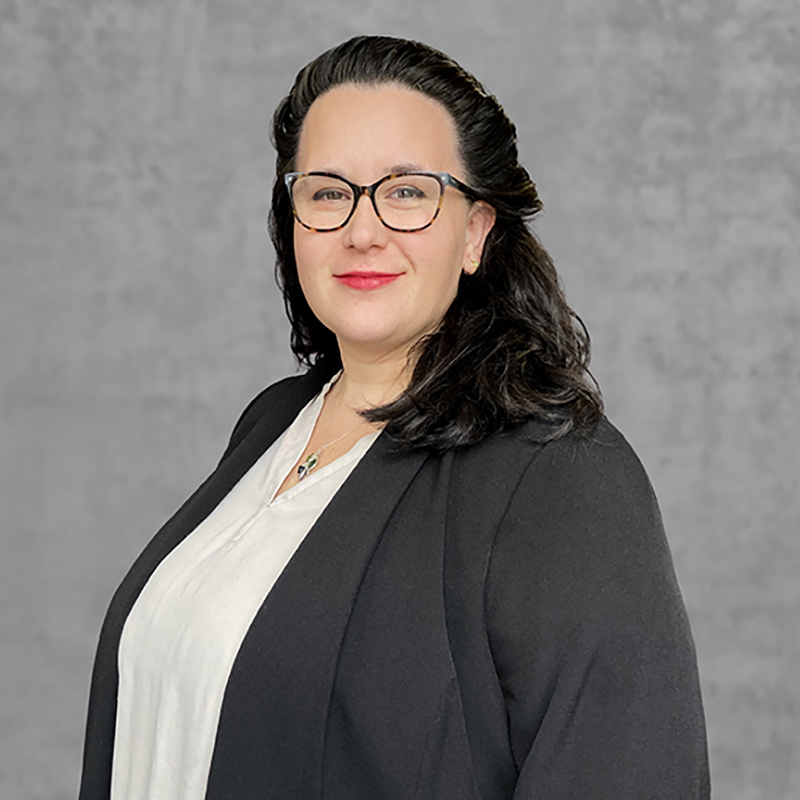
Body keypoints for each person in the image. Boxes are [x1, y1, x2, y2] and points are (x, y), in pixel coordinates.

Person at [78, 35, 710, 800]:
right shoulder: (271, 426)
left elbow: (628, 774)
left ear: (475, 233)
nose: (362, 229)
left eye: (408, 191)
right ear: (294, 219)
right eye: (327, 192)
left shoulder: (560, 476)